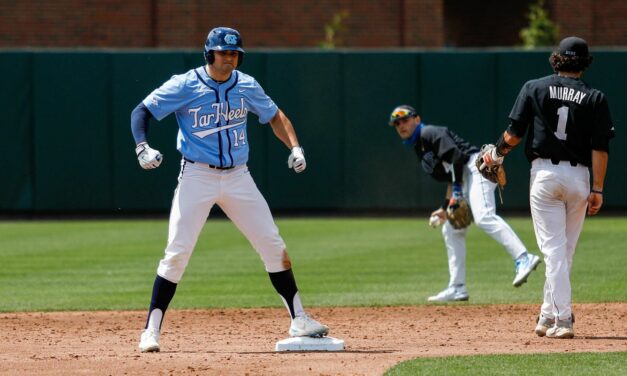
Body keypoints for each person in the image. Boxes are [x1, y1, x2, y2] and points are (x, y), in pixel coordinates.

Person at [130, 26, 329, 353]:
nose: (230, 58)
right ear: (209, 53)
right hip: (196, 175)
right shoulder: (186, 84)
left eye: (235, 53)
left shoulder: (246, 84)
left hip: (238, 176)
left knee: (272, 243)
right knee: (177, 252)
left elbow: (275, 116)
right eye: (224, 52)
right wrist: (142, 147)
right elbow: (141, 111)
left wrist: (294, 147)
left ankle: (299, 319)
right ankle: (150, 330)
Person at [480, 36, 614, 339]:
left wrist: (497, 153)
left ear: (557, 59)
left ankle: (563, 318)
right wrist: (599, 188)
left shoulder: (535, 87)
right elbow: (600, 148)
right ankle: (546, 314)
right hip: (580, 178)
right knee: (563, 253)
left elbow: (514, 134)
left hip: (545, 176)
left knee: (554, 251)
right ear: (584, 63)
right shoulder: (595, 97)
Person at [388, 105, 541, 302]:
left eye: (405, 119)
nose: (401, 125)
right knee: (451, 229)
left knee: (484, 216)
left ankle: (523, 257)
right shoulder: (419, 145)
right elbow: (452, 172)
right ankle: (457, 287)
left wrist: (458, 193)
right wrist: (445, 207)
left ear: (416, 119)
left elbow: (457, 157)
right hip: (466, 175)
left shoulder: (429, 133)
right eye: (397, 123)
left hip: (477, 168)